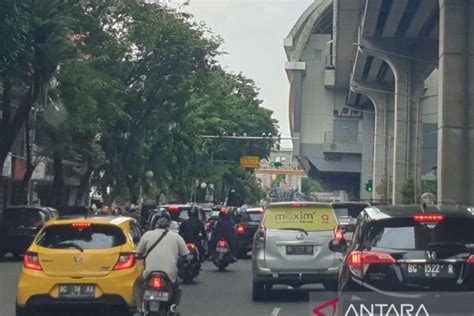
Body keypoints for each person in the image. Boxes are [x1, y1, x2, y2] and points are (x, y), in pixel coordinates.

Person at [134, 210, 190, 313]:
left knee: (137, 285)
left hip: (149, 273)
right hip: (170, 274)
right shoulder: (176, 237)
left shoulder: (147, 235)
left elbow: (138, 253)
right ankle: (173, 307)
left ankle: (139, 308)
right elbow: (186, 254)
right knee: (177, 289)